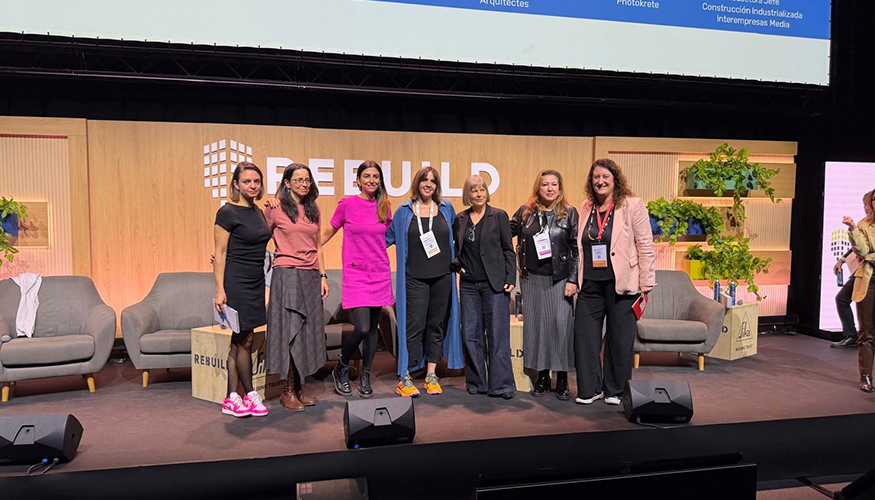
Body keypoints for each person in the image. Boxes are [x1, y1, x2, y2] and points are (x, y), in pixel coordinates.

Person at [573, 159, 655, 406]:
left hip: (623, 284)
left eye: (605, 177)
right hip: (590, 285)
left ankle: (614, 390)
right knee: (585, 340)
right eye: (596, 177)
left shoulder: (632, 205)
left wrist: (647, 281)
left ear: (615, 180)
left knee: (619, 342)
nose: (600, 181)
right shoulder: (586, 206)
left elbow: (645, 244)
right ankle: (589, 389)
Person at [387, 167, 464, 397]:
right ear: (417, 183)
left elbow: (459, 239)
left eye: (432, 181)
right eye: (424, 180)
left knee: (435, 326)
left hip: (442, 278)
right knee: (414, 326)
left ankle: (431, 374)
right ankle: (405, 376)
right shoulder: (403, 211)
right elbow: (385, 239)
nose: (428, 184)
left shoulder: (446, 208)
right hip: (414, 278)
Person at [323, 161, 394, 398]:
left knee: (373, 329)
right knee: (362, 328)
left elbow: (390, 237)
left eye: (375, 176)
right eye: (367, 176)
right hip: (356, 273)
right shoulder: (347, 204)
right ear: (358, 180)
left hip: (379, 272)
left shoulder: (385, 206)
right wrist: (305, 251)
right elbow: (328, 232)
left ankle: (365, 374)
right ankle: (342, 367)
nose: (372, 180)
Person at [263, 164, 330, 411]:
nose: (304, 184)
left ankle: (299, 387)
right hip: (287, 275)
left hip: (311, 275)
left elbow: (318, 245)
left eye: (307, 180)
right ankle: (286, 389)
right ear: (287, 182)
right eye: (298, 180)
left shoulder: (314, 209)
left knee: (305, 333)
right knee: (289, 331)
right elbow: (257, 238)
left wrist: (323, 275)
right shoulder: (275, 208)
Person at [511, 169, 579, 400]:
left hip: (560, 280)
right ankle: (542, 376)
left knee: (560, 328)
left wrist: (572, 280)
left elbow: (576, 250)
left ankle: (561, 378)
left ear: (560, 188)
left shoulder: (569, 213)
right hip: (532, 280)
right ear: (537, 188)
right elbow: (503, 233)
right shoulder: (525, 212)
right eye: (545, 185)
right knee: (537, 328)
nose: (550, 188)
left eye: (554, 184)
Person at [213, 162, 272, 418]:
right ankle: (249, 394)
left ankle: (230, 398)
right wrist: (219, 289)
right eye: (247, 181)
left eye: (256, 181)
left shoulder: (258, 211)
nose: (252, 186)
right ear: (236, 184)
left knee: (238, 341)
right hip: (235, 281)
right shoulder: (227, 212)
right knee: (244, 339)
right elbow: (221, 252)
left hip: (255, 281)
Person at [453, 175, 517, 399]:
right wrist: (456, 266)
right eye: (474, 191)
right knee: (471, 335)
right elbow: (456, 249)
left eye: (482, 190)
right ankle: (477, 382)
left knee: (498, 335)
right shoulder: (460, 219)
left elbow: (509, 250)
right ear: (467, 195)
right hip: (469, 285)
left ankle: (502, 385)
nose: (479, 194)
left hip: (494, 285)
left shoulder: (498, 216)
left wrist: (510, 276)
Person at [844, 188, 875, 393]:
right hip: (869, 281)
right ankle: (865, 375)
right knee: (867, 332)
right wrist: (853, 228)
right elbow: (863, 251)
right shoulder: (863, 226)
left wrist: (871, 257)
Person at [832, 248, 859, 349]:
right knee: (842, 298)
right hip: (861, 270)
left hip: (868, 271)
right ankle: (852, 336)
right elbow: (856, 246)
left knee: (842, 299)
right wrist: (842, 260)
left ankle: (853, 336)